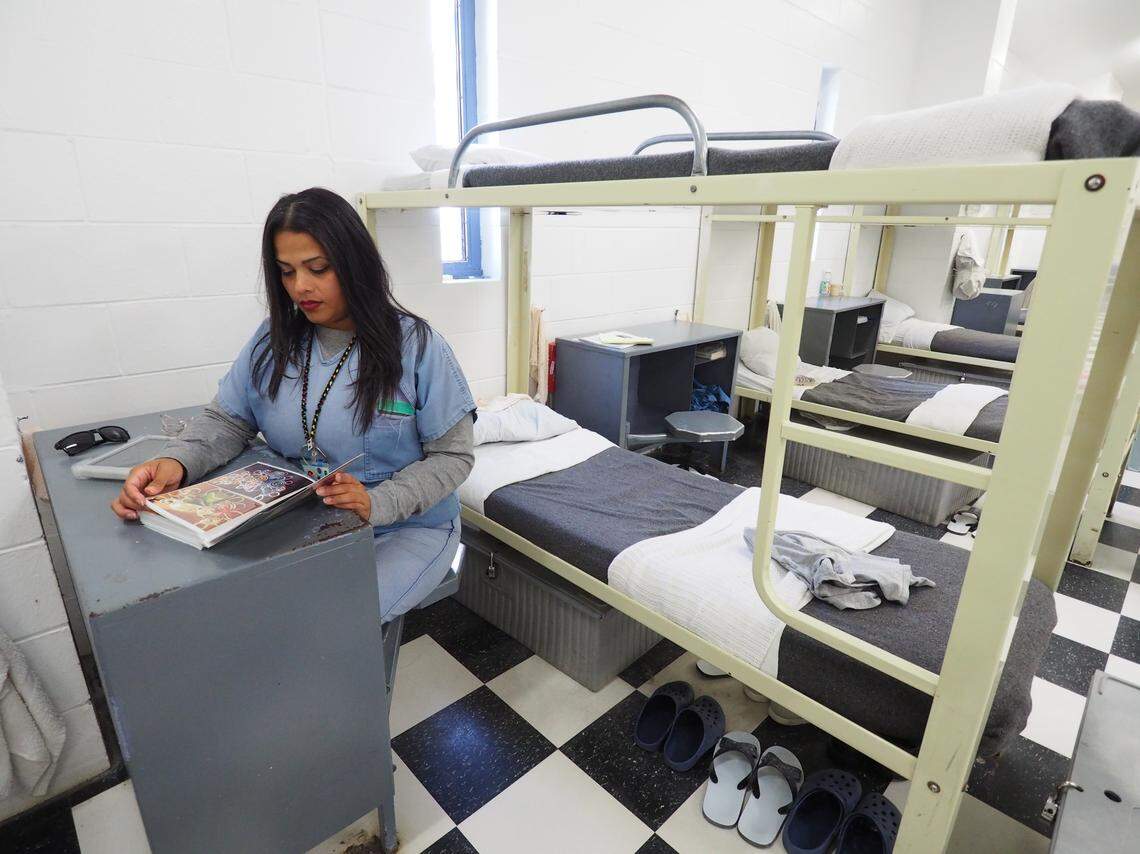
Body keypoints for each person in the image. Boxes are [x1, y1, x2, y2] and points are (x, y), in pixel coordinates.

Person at [111, 187, 476, 622]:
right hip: (308, 519)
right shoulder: (273, 340)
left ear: (355, 263)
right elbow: (227, 419)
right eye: (286, 272)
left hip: (404, 527)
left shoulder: (417, 346)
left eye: (318, 268)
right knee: (255, 613)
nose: (301, 287)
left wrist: (380, 503)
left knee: (333, 623)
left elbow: (453, 456)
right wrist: (177, 460)